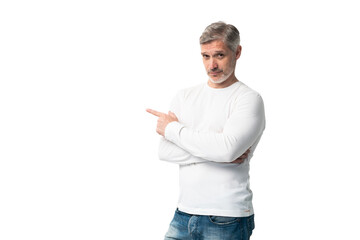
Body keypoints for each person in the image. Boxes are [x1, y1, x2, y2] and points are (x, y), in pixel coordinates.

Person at [146, 21, 265, 240]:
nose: (212, 65)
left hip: (227, 218)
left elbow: (227, 150)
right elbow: (164, 152)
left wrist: (172, 129)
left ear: (237, 52)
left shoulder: (248, 99)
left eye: (219, 55)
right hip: (183, 214)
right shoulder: (184, 97)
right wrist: (217, 152)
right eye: (205, 56)